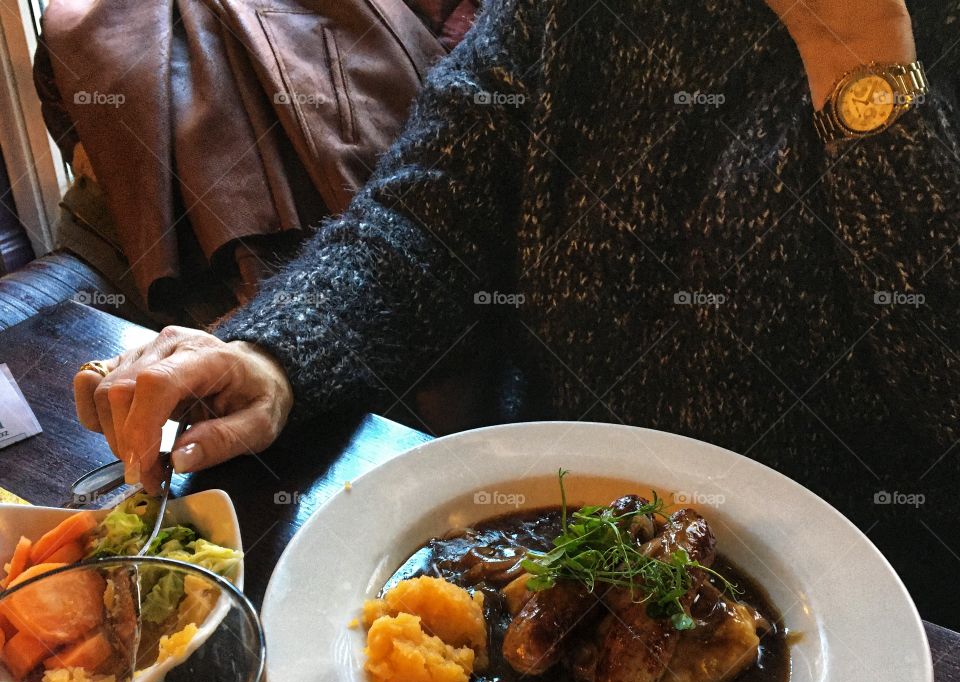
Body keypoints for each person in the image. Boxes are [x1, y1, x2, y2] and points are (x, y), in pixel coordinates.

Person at [75, 0, 960, 623]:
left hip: (870, 614)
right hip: (545, 548)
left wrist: (864, 64)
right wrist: (278, 356)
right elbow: (425, 224)